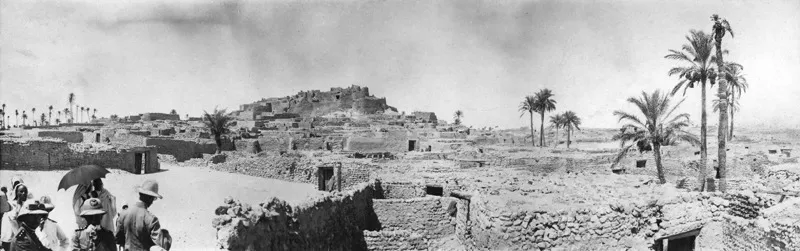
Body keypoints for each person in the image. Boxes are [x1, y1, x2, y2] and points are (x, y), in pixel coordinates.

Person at [115, 180, 165, 251]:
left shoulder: (124, 213)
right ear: (149, 198)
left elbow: (118, 238)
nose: (152, 202)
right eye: (153, 198)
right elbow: (159, 245)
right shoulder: (151, 219)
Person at [1, 184, 29, 250]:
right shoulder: (11, 204)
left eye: (25, 192)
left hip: (18, 238)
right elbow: (13, 220)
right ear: (16, 193)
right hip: (9, 239)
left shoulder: (25, 205)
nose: (24, 193)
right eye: (21, 191)